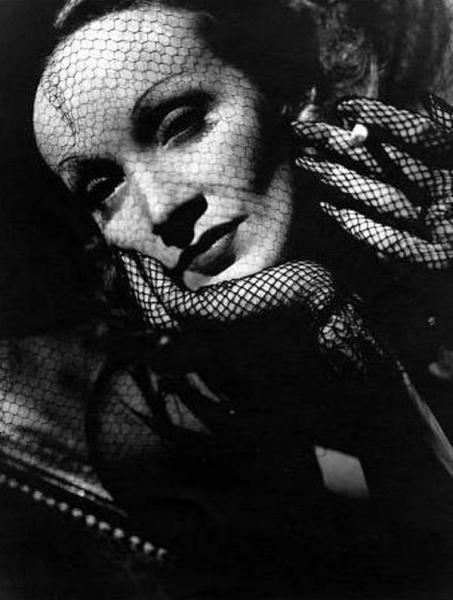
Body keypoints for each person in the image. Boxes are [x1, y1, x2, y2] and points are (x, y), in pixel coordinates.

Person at [22, 0, 453, 593]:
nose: (160, 208)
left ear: (288, 93)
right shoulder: (160, 417)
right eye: (103, 187)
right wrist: (331, 336)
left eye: (180, 125)